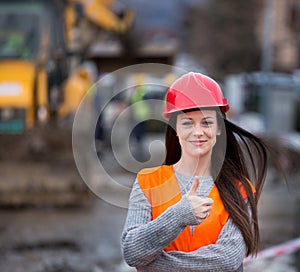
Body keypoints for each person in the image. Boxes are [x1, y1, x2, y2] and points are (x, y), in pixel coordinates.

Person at [121, 72, 268, 272]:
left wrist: (154, 264)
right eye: (188, 123)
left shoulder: (240, 188)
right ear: (175, 129)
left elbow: (227, 259)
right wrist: (179, 214)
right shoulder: (148, 182)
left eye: (206, 122)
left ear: (219, 128)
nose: (198, 132)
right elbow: (132, 251)